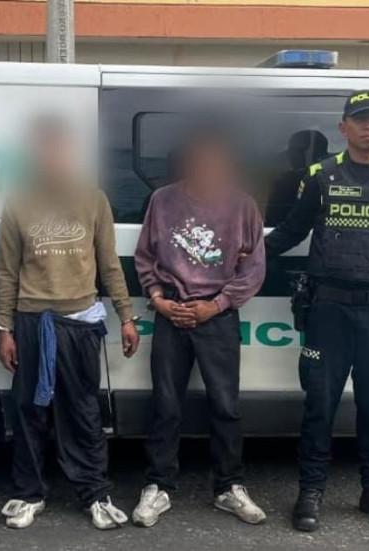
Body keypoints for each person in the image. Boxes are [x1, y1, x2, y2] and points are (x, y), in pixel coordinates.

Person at [265, 90, 369, 533]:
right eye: (360, 119)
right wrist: (246, 256)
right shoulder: (321, 176)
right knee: (320, 405)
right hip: (329, 313)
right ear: (344, 128)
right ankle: (310, 491)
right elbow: (291, 230)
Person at [0, 116, 140, 530]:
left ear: (71, 152)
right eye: (45, 149)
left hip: (80, 323)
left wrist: (126, 316)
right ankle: (29, 493)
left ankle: (94, 492)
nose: (52, 157)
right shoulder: (18, 202)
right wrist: (5, 329)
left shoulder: (93, 200)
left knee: (83, 411)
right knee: (29, 411)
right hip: (32, 321)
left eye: (59, 148)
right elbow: (6, 272)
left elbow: (109, 265)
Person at [130, 130, 267, 527]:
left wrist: (216, 305)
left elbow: (254, 269)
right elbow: (145, 256)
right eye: (200, 158)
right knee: (165, 404)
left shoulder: (242, 205)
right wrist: (158, 298)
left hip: (217, 315)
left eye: (215, 159)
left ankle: (229, 486)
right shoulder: (162, 200)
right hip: (170, 311)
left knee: (225, 406)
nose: (207, 166)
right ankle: (158, 485)